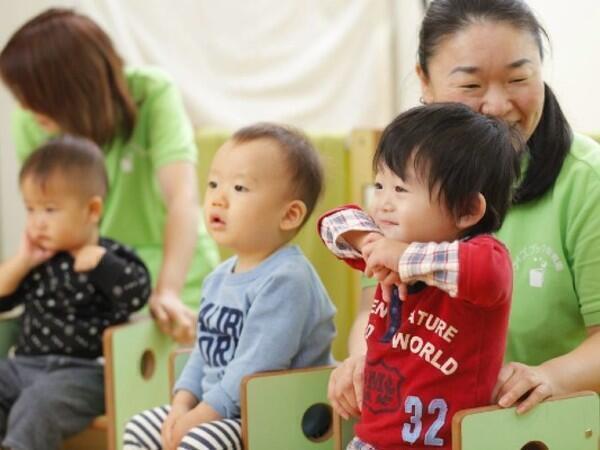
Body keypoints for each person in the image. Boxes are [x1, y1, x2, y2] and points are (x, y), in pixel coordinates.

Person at [330, 0, 600, 423]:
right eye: (471, 86)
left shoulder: (588, 180)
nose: (496, 104)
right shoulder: (407, 177)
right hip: (422, 427)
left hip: (543, 428)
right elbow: (374, 307)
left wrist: (550, 377)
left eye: (519, 78)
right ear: (424, 81)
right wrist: (363, 360)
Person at [0, 8, 219, 344]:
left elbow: (182, 198)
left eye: (33, 94)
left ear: (69, 89)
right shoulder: (29, 122)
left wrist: (169, 291)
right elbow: (43, 208)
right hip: (92, 278)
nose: (26, 108)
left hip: (175, 269)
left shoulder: (150, 92)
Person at [122, 123, 337, 450]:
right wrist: (181, 403)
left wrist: (197, 418)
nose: (218, 199)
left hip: (279, 414)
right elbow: (202, 353)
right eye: (213, 184)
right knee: (142, 427)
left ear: (290, 215)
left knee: (199, 441)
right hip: (222, 411)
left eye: (239, 188)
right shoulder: (219, 277)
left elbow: (256, 368)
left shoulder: (287, 279)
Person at [320, 103, 522, 450]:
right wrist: (371, 243)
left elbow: (488, 271)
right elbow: (331, 223)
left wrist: (404, 257)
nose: (383, 203)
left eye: (400, 190)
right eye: (380, 186)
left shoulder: (482, 260)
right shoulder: (385, 250)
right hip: (369, 441)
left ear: (467, 210)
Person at [0, 135, 151, 450]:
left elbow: (138, 294)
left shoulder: (109, 255)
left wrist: (103, 265)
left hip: (85, 375)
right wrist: (22, 261)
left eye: (50, 210)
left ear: (92, 209)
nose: (37, 222)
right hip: (24, 366)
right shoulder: (38, 260)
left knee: (39, 404)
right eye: (31, 209)